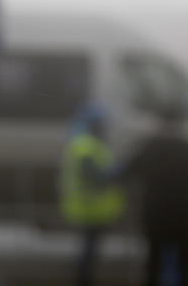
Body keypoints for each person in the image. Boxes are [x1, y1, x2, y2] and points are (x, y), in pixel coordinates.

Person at [115, 105, 188, 286]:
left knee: (154, 261)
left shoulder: (150, 148)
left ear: (160, 123)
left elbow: (125, 173)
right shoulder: (187, 149)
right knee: (183, 263)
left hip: (155, 214)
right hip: (183, 215)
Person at [60, 103, 124, 286]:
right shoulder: (85, 146)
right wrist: (117, 173)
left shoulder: (86, 144)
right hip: (90, 209)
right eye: (102, 124)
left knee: (88, 251)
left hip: (90, 208)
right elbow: (95, 177)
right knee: (88, 253)